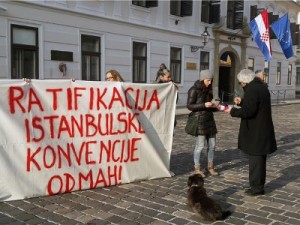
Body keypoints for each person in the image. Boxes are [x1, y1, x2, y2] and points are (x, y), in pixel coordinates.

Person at [224, 69, 277, 196]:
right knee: (259, 161)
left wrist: (232, 111)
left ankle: (256, 188)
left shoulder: (252, 90)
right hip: (261, 130)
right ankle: (258, 185)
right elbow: (255, 105)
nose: (241, 85)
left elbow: (249, 111)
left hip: (256, 131)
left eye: (241, 83)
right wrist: (242, 102)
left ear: (245, 81)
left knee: (256, 161)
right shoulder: (261, 87)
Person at [186, 70, 219, 177]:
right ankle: (197, 168)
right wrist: (204, 104)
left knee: (212, 145)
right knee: (200, 146)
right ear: (202, 79)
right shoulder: (193, 90)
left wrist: (215, 107)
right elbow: (190, 106)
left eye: (211, 80)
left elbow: (209, 107)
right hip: (199, 121)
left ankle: (210, 166)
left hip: (210, 120)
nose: (210, 82)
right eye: (208, 80)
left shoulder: (209, 90)